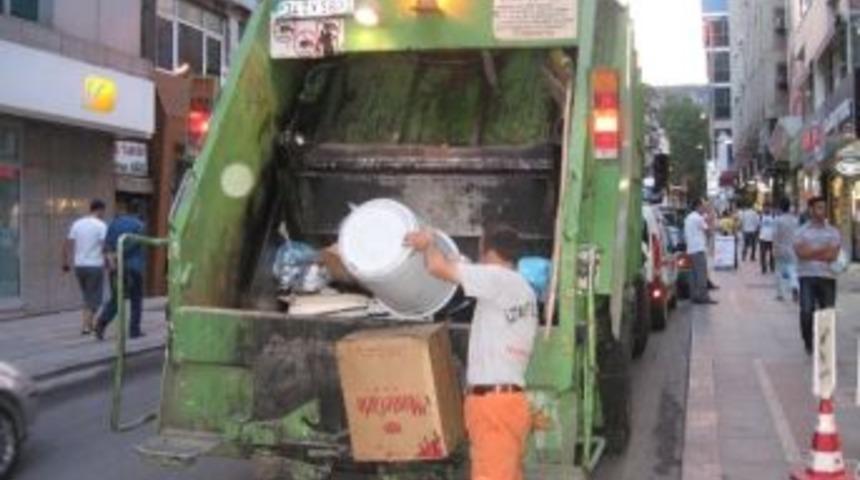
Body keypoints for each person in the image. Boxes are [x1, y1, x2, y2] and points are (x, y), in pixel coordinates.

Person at [405, 224, 537, 480]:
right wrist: (458, 261)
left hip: (492, 408)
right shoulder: (522, 288)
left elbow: (436, 267)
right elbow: (463, 268)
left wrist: (428, 244)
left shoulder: (496, 278)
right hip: (510, 404)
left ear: (486, 250)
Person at [793, 196, 841, 354]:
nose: (823, 211)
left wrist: (811, 252)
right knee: (806, 311)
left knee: (827, 311)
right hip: (807, 276)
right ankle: (808, 341)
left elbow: (833, 255)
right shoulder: (801, 231)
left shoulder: (833, 231)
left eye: (824, 207)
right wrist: (823, 250)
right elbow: (800, 253)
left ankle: (824, 344)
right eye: (819, 207)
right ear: (811, 210)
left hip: (827, 277)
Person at [95, 202, 146, 340]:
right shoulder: (140, 225)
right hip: (134, 267)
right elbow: (136, 243)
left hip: (115, 267)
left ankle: (101, 322)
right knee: (136, 299)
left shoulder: (113, 223)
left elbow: (106, 245)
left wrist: (111, 259)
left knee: (117, 298)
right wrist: (121, 252)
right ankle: (134, 330)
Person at [62, 199, 107, 335]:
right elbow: (104, 246)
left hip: (79, 266)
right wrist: (110, 263)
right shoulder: (101, 225)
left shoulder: (77, 224)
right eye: (103, 211)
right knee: (95, 298)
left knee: (87, 296)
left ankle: (89, 324)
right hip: (94, 265)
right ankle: (86, 326)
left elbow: (66, 244)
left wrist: (65, 262)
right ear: (100, 210)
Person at [684, 198, 717, 305]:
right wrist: (711, 221)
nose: (704, 208)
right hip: (698, 249)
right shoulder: (698, 218)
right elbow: (709, 232)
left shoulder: (688, 217)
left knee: (693, 274)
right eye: (702, 206)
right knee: (702, 274)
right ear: (698, 206)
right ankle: (703, 297)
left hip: (690, 249)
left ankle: (694, 296)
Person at [773, 198, 799, 302]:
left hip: (781, 248)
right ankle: (795, 286)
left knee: (779, 271)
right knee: (792, 270)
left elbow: (775, 235)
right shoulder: (795, 220)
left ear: (780, 207)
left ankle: (780, 294)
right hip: (793, 248)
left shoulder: (778, 220)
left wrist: (774, 248)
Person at [758, 205, 776, 274]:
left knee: (772, 254)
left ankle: (772, 267)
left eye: (768, 208)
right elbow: (758, 226)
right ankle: (763, 268)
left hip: (772, 238)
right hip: (763, 238)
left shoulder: (773, 216)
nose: (766, 209)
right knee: (763, 254)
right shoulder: (761, 217)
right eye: (765, 208)